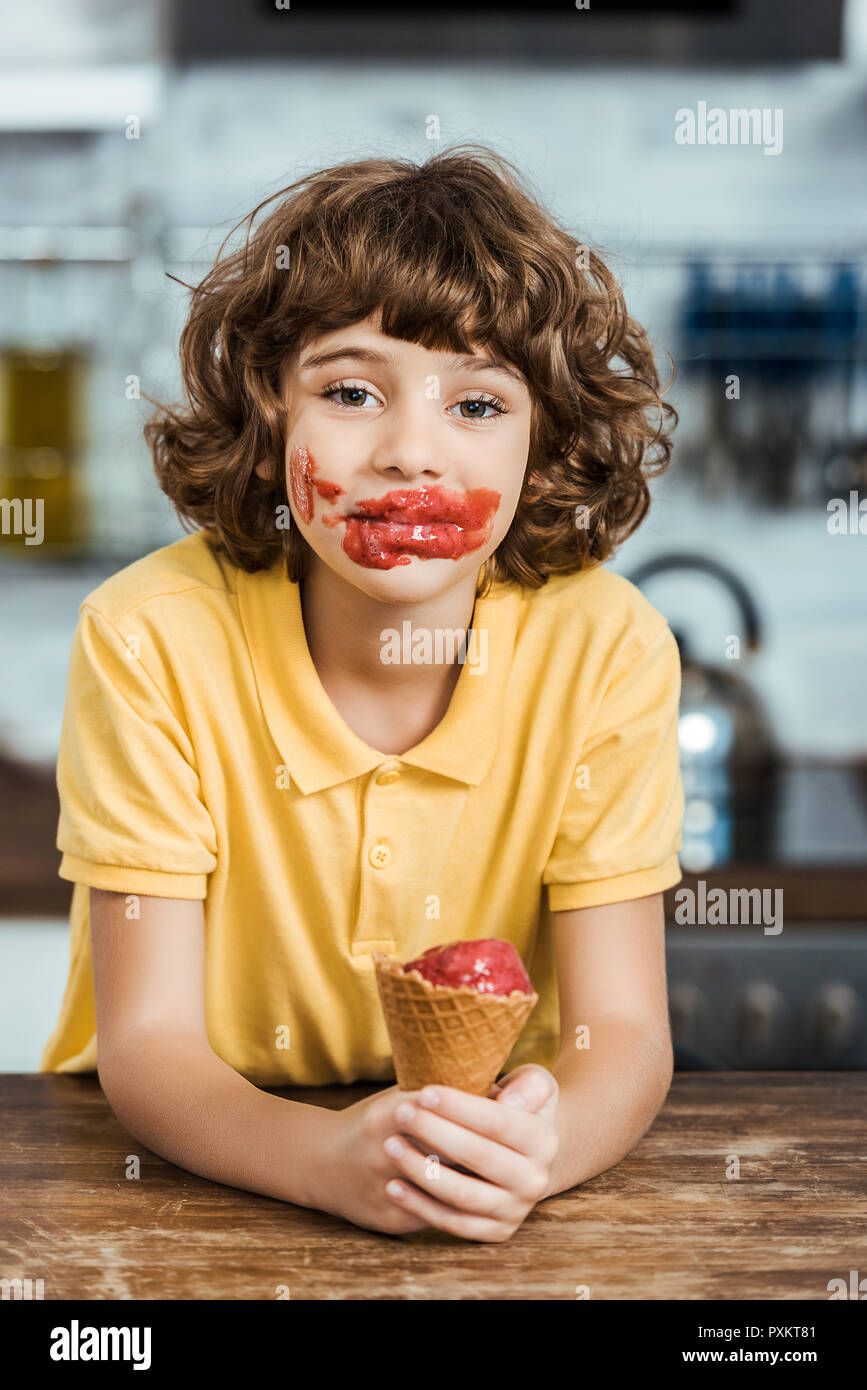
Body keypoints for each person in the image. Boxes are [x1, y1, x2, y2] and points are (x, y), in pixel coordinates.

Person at [42, 144, 684, 1243]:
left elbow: (622, 1032)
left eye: (478, 405)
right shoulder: (149, 639)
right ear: (269, 416)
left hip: (498, 1161)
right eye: (349, 391)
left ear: (544, 446)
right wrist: (328, 1160)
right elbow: (148, 1045)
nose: (410, 453)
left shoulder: (605, 647)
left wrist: (538, 1150)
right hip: (196, 1183)